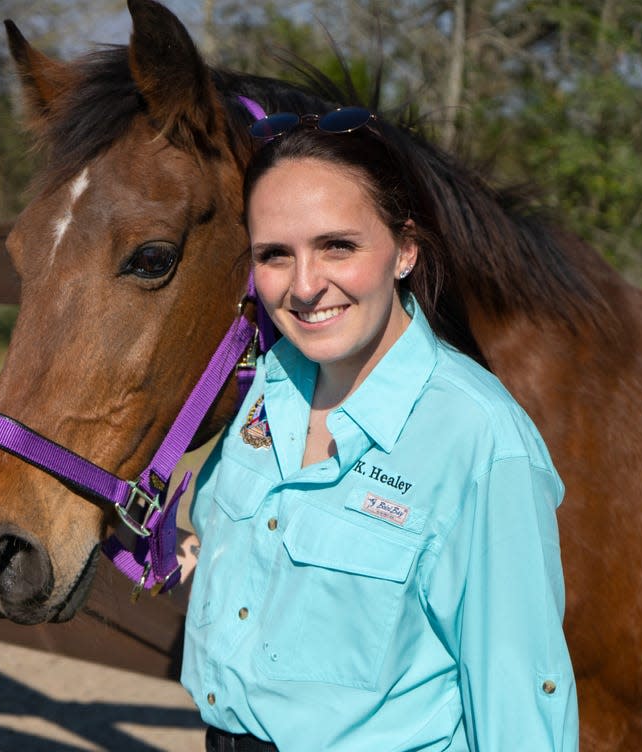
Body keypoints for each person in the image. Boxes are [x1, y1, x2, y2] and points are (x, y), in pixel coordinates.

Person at [180, 106, 579, 751]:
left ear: (406, 250)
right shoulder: (265, 386)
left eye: (337, 245)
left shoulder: (478, 440)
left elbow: (516, 691)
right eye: (275, 255)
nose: (306, 287)